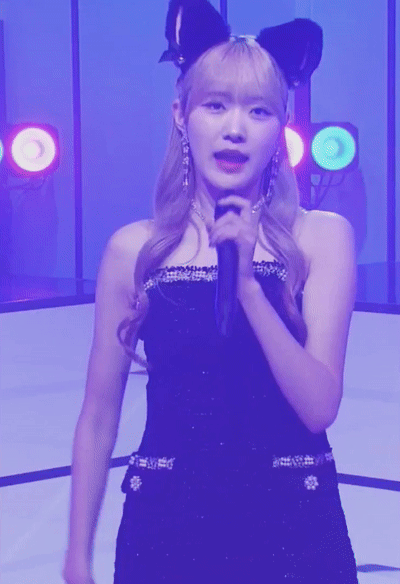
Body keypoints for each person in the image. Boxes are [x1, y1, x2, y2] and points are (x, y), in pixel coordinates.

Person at [63, 1, 359, 583]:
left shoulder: (322, 238)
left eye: (258, 110)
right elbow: (98, 415)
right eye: (216, 105)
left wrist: (247, 287)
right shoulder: (134, 249)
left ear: (281, 126)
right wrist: (77, 556)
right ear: (181, 114)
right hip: (165, 530)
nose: (235, 128)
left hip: (294, 530)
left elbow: (319, 405)